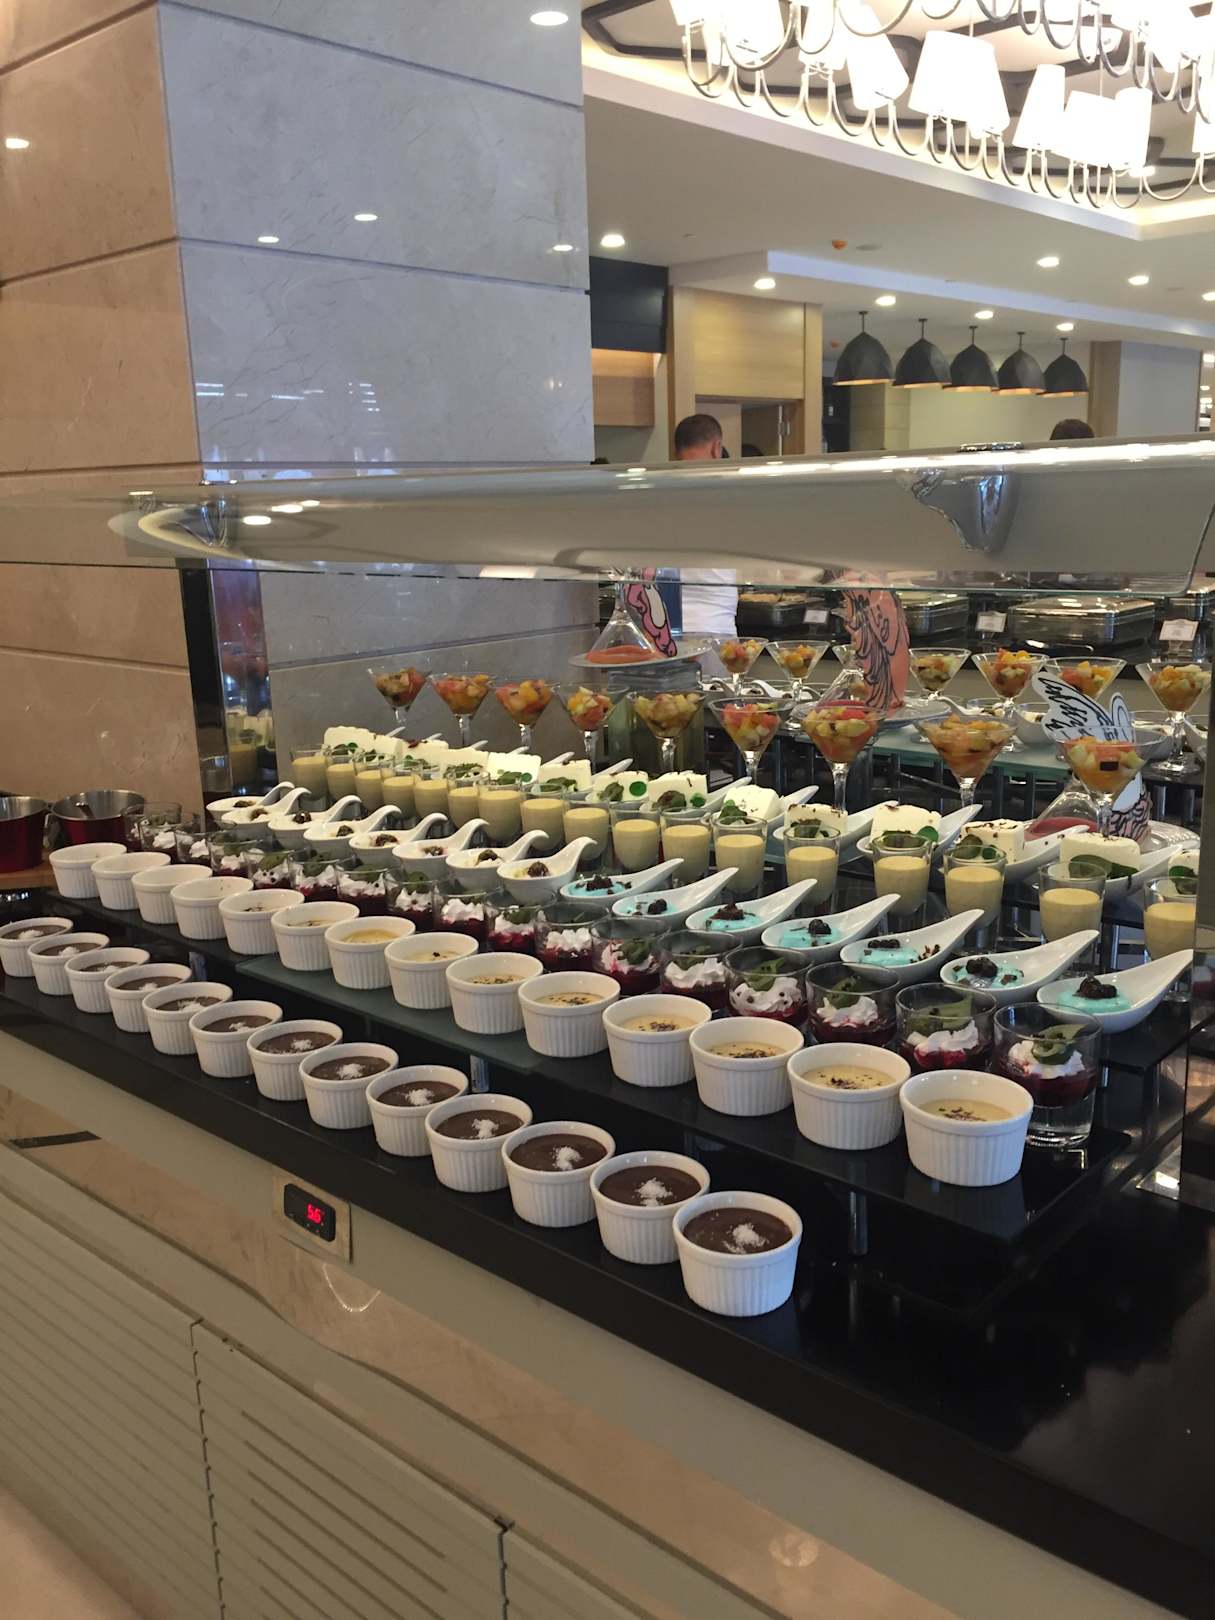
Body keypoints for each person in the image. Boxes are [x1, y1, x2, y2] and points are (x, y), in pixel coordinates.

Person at [672, 413, 738, 635]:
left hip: (665, 626)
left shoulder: (662, 492)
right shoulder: (729, 492)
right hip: (714, 623)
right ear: (716, 447)